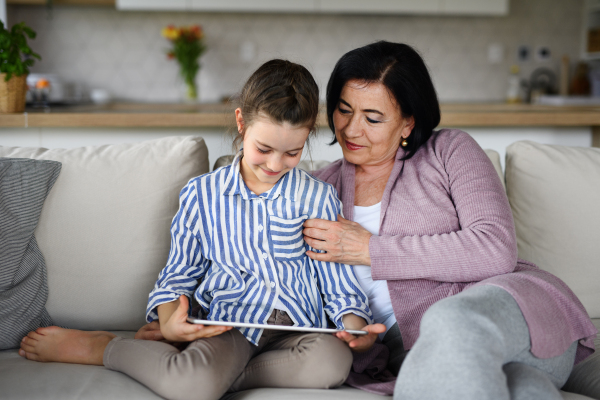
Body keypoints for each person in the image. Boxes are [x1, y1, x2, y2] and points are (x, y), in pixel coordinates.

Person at [18, 59, 379, 400]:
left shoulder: (317, 197)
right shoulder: (202, 195)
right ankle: (102, 348)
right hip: (230, 326)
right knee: (193, 386)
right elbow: (178, 274)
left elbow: (336, 281)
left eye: (292, 152)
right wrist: (171, 323)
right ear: (241, 123)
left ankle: (204, 373)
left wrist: (356, 328)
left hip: (298, 330)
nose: (274, 164)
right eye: (263, 148)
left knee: (333, 363)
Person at [302, 41, 598, 400]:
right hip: (418, 351)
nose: (351, 129)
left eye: (373, 118)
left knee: (446, 321)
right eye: (343, 110)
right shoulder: (315, 190)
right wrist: (360, 338)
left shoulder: (450, 151)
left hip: (508, 314)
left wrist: (371, 249)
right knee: (523, 388)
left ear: (408, 123)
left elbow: (495, 248)